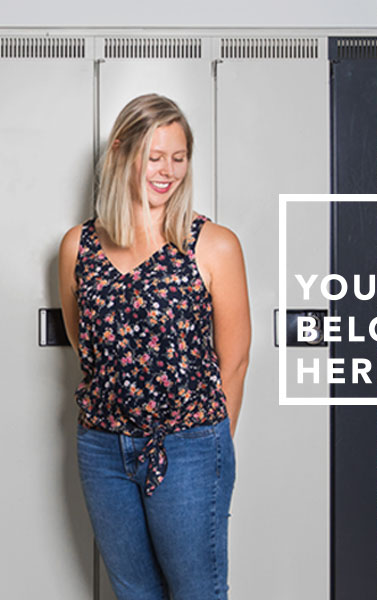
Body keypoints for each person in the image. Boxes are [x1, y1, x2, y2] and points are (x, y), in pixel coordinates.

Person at [58, 94, 251, 600]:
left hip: (188, 445)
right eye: (155, 156)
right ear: (121, 152)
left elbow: (234, 361)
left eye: (179, 157)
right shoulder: (78, 246)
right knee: (134, 592)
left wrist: (211, 448)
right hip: (101, 446)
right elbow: (85, 341)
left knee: (197, 593)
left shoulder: (213, 245)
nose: (168, 171)